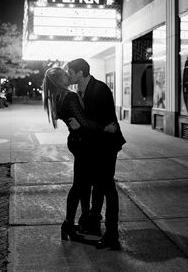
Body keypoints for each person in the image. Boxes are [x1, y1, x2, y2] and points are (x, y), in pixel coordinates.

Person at [42, 67, 117, 243]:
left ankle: (78, 222)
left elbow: (78, 121)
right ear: (60, 80)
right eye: (65, 75)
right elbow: (83, 121)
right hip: (82, 143)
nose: (68, 76)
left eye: (69, 73)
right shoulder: (69, 96)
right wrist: (104, 128)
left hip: (77, 141)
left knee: (82, 185)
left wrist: (79, 124)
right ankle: (70, 223)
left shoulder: (57, 98)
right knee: (80, 186)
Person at [66, 58, 126, 249]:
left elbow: (107, 126)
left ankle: (112, 235)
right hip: (93, 147)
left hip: (106, 147)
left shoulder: (100, 89)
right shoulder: (80, 92)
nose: (68, 76)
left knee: (108, 188)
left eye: (71, 72)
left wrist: (81, 127)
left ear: (80, 73)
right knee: (98, 187)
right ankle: (94, 224)